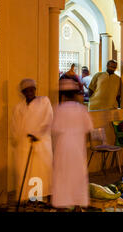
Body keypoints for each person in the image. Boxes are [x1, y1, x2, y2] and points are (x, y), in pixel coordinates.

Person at [51, 79, 94, 210]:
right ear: (75, 94)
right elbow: (89, 130)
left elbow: (54, 130)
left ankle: (62, 206)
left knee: (62, 175)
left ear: (63, 95)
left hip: (63, 147)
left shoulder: (58, 109)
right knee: (77, 176)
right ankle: (77, 206)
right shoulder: (82, 109)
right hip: (77, 147)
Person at [10, 79, 53, 204]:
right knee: (25, 171)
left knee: (41, 172)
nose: (29, 92)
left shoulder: (44, 101)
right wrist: (16, 140)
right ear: (22, 92)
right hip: (23, 146)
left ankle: (42, 198)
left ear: (35, 90)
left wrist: (38, 134)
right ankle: (30, 198)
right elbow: (14, 127)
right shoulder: (19, 107)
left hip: (41, 144)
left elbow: (48, 119)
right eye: (26, 91)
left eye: (31, 90)